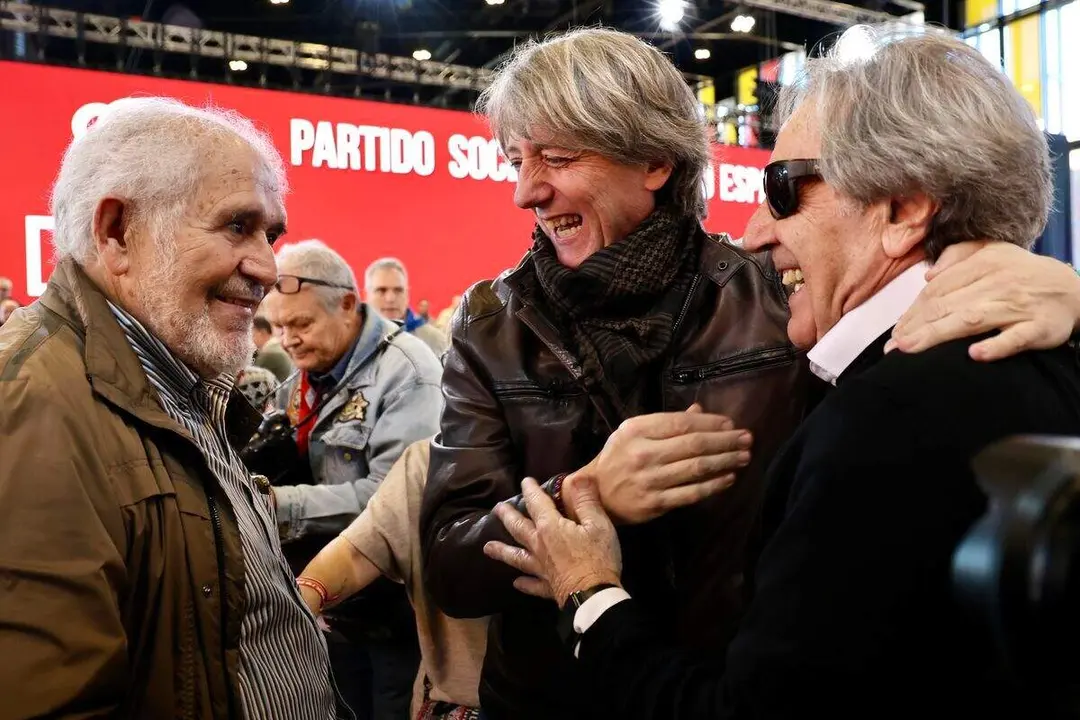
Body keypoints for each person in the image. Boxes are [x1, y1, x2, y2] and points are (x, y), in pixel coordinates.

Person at [419, 27, 1080, 720]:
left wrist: (1061, 291)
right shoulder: (490, 322)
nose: (526, 191)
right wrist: (582, 493)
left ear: (653, 162)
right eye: (515, 159)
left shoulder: (788, 305)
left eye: (556, 156)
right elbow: (449, 567)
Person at [0, 97, 339, 719]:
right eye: (238, 226)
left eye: (272, 233)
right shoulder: (30, 406)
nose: (267, 267)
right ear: (117, 233)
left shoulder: (179, 377)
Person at [261, 239, 443, 720]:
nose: (288, 340)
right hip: (332, 606)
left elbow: (392, 501)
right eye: (279, 326)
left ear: (346, 305)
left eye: (301, 323)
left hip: (396, 610)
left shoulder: (407, 372)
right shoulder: (303, 379)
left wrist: (279, 503)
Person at [298, 439, 488, 720]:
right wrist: (300, 601)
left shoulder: (573, 476)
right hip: (453, 700)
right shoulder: (431, 458)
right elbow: (358, 550)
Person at [365, 257, 448, 357]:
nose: (390, 298)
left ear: (407, 295)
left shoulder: (434, 341)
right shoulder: (352, 340)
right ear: (367, 295)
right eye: (381, 290)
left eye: (398, 290)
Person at [253, 313, 294, 381]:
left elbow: (248, 379)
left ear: (262, 333)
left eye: (253, 334)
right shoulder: (276, 348)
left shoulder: (269, 353)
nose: (250, 339)